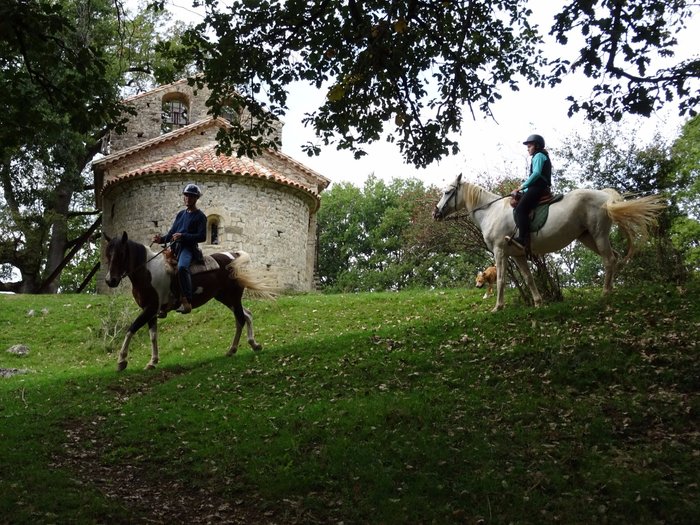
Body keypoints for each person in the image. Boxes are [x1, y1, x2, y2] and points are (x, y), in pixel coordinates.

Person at [153, 183, 207, 314]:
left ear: (196, 198)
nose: (187, 198)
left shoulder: (200, 216)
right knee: (162, 270)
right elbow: (172, 233)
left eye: (191, 196)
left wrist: (183, 236)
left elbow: (202, 236)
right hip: (175, 248)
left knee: (182, 268)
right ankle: (165, 302)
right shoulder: (180, 214)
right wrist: (161, 239)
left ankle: (187, 301)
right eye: (186, 195)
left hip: (188, 248)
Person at [506, 134, 552, 253]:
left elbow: (536, 174)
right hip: (536, 187)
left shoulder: (539, 155)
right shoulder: (539, 155)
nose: (528, 148)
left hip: (538, 187)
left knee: (520, 209)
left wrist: (521, 187)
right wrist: (522, 191)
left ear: (536, 146)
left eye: (529, 146)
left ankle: (522, 239)